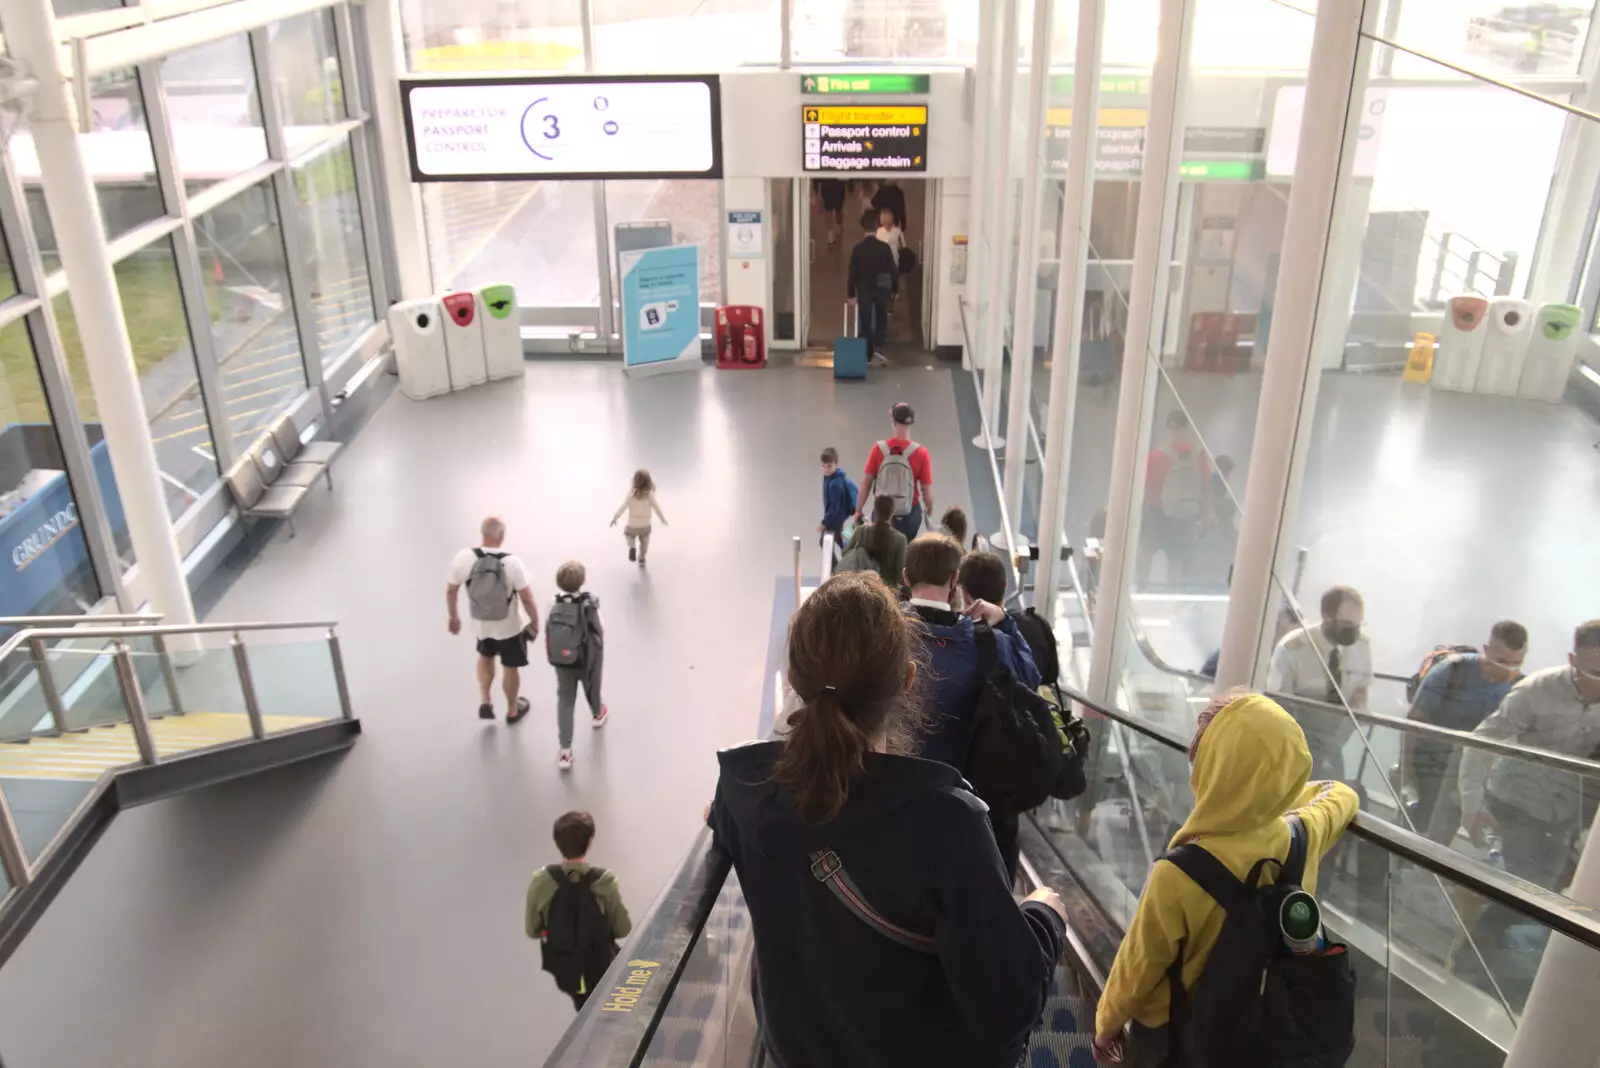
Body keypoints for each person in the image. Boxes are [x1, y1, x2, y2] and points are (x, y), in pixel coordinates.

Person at [708, 571, 1067, 1068]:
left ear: (794, 680)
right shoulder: (948, 823)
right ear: (907, 680)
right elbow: (1008, 1006)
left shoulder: (742, 789)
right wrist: (1047, 916)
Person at [1092, 691, 1359, 1066]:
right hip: (1264, 1030)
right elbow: (1341, 794)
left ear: (1210, 771)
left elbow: (1137, 966)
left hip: (1177, 1040)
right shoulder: (1302, 835)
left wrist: (1106, 1024)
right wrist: (1272, 790)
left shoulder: (1178, 872)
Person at [903, 533, 1040, 873]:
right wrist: (1005, 620)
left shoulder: (880, 633)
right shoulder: (987, 643)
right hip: (966, 809)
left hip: (892, 805)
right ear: (954, 581)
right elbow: (1031, 677)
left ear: (906, 577)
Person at [1460, 620, 1600, 890]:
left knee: (1545, 890)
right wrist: (1472, 805)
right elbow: (1482, 741)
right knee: (1520, 888)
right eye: (1596, 673)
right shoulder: (1536, 690)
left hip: (1566, 813)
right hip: (1517, 803)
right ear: (1573, 660)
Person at [1401, 620, 1527, 844]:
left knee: (1444, 829)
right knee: (1415, 822)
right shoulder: (1452, 670)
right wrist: (1407, 771)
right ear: (1487, 651)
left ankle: (1429, 871)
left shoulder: (1519, 686)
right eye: (1502, 661)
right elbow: (1414, 722)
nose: (1508, 669)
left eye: (1516, 663)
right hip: (1430, 762)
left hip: (1472, 771)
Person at [526, 810, 633, 1011]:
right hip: (600, 962)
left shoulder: (540, 881)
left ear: (557, 843)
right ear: (590, 842)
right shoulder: (605, 881)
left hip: (565, 966)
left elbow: (532, 930)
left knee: (582, 1001)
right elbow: (623, 928)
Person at [1267, 585, 1373, 780]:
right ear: (1327, 616)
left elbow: (1360, 693)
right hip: (1296, 744)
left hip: (1335, 743)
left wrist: (1358, 713)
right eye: (1347, 623)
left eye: (1358, 624)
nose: (1353, 631)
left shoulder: (1361, 646)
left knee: (1332, 800)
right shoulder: (1293, 648)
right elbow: (1278, 708)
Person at [446, 515, 540, 724]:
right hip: (509, 626)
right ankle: (513, 710)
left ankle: (486, 700)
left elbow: (451, 590)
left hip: (481, 623)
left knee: (485, 656)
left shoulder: (464, 557)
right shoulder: (511, 562)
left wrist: (454, 617)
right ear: (502, 535)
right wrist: (535, 622)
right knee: (510, 666)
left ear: (483, 533)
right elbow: (527, 597)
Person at [1138, 409, 1212, 586]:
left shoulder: (1157, 456)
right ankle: (1171, 596)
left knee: (1145, 555)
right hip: (1186, 519)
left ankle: (1141, 590)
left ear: (1168, 428)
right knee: (1176, 563)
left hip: (1158, 515)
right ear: (1187, 427)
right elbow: (1206, 488)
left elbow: (1149, 490)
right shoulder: (1200, 455)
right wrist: (1206, 514)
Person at [548, 561, 608, 771]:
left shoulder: (553, 605)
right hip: (587, 657)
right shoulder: (589, 605)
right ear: (582, 581)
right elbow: (600, 629)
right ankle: (597, 713)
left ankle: (565, 752)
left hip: (562, 661)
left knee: (565, 700)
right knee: (592, 686)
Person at [856, 402, 934, 540]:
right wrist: (929, 509)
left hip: (882, 513)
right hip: (909, 513)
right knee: (905, 549)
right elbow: (926, 491)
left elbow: (866, 483)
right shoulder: (921, 453)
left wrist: (858, 510)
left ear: (893, 423)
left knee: (881, 550)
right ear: (910, 424)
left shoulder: (878, 449)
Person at [846, 208, 897, 362]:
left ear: (863, 228)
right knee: (881, 317)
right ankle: (879, 347)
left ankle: (866, 352)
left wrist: (851, 294)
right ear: (876, 228)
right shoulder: (884, 248)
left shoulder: (858, 250)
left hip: (864, 289)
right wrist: (895, 289)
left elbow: (852, 273)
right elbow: (892, 270)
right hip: (881, 288)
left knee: (865, 319)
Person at [841, 494, 907, 589]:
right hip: (887, 591)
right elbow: (900, 574)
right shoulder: (900, 539)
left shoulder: (861, 532)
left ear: (875, 510)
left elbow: (844, 553)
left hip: (862, 587)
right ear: (893, 512)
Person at [610, 468, 667, 566]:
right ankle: (641, 559)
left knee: (628, 534)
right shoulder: (650, 495)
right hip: (645, 525)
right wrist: (662, 519)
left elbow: (623, 507)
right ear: (649, 481)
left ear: (635, 481)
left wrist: (615, 517)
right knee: (645, 542)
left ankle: (632, 546)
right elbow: (657, 508)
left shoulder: (631, 494)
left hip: (632, 525)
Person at [816, 447, 857, 555]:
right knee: (839, 541)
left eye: (829, 466)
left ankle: (836, 568)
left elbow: (834, 507)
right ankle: (847, 560)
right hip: (837, 518)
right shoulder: (830, 478)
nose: (826, 469)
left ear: (836, 464)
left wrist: (824, 523)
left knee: (824, 542)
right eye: (823, 466)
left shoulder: (835, 484)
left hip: (835, 519)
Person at [875, 206, 906, 272]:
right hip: (882, 263)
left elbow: (903, 246)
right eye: (883, 216)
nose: (885, 219)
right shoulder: (879, 232)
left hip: (894, 261)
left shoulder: (897, 231)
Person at [816, 178, 846, 247]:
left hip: (827, 190)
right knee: (838, 210)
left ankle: (830, 238)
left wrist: (817, 191)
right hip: (839, 189)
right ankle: (839, 225)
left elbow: (817, 179)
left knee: (829, 213)